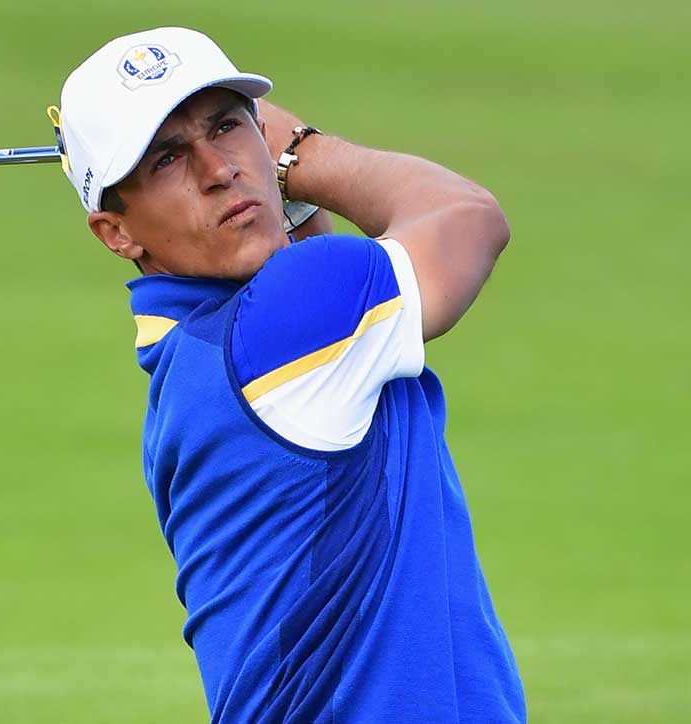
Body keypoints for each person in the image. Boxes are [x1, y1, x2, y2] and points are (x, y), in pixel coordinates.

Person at [52, 27, 526, 723]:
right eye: (166, 159)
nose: (218, 169)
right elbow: (468, 217)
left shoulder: (190, 357)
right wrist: (299, 151)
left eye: (226, 126)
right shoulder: (287, 327)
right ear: (117, 233)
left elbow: (306, 261)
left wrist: (272, 179)